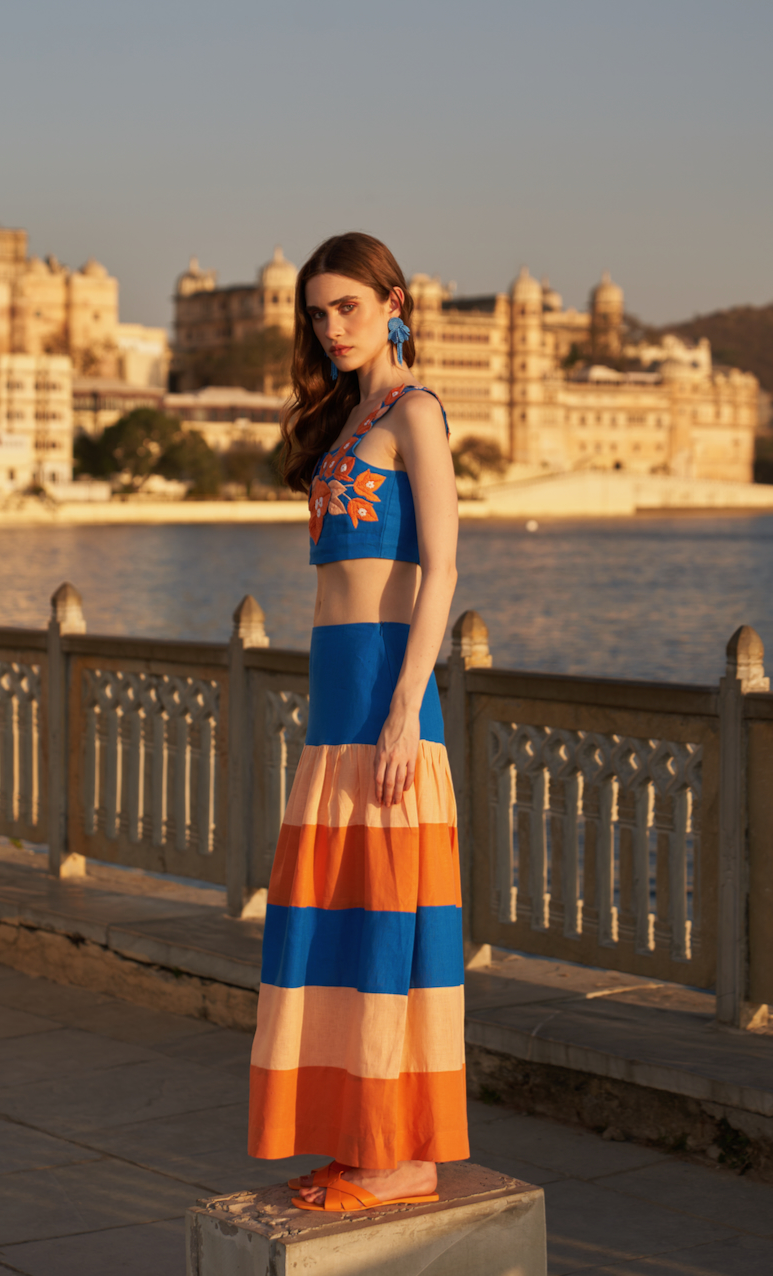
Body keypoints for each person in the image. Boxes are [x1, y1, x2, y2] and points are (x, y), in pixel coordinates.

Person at [248, 231, 468, 1213]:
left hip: (385, 703)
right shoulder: (348, 418)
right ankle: (359, 1139)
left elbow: (444, 570)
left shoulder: (415, 411)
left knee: (384, 932)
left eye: (346, 306)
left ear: (393, 302)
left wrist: (402, 715)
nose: (330, 327)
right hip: (336, 709)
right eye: (316, 312)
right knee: (336, 933)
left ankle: (400, 1158)